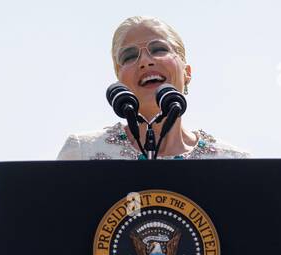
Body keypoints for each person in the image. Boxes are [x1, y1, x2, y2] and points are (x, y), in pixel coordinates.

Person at [57, 16, 250, 160]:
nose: (145, 62)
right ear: (119, 79)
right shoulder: (82, 152)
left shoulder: (233, 162)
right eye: (129, 56)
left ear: (187, 72)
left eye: (159, 49)